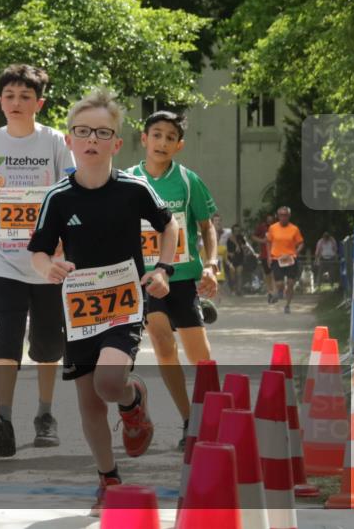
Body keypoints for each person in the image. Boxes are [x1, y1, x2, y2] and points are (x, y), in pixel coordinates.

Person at [29, 88, 178, 515]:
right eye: (82, 131)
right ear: (70, 140)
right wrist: (47, 268)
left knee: (109, 383)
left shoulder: (134, 189)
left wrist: (163, 270)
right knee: (89, 402)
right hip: (78, 308)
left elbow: (168, 229)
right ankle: (108, 478)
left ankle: (132, 401)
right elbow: (39, 250)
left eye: (102, 132)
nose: (91, 139)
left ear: (116, 143)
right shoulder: (58, 198)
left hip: (124, 302)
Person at [0, 64, 74, 456]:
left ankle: (45, 414)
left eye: (25, 97)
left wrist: (63, 244)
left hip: (46, 262)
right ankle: (3, 418)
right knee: (5, 335)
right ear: (0, 101)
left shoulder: (54, 143)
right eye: (9, 96)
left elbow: (69, 196)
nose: (16, 102)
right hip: (2, 261)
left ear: (39, 103)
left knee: (47, 344)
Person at [126, 110, 220, 451]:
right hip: (148, 280)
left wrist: (211, 264)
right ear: (144, 138)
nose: (162, 142)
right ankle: (188, 421)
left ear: (178, 145)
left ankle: (211, 416)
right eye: (157, 134)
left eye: (169, 137)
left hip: (183, 279)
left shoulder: (187, 180)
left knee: (200, 356)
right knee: (164, 345)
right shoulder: (129, 181)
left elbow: (207, 228)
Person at [267, 206, 304, 313]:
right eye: (281, 215)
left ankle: (287, 305)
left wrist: (296, 252)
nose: (283, 217)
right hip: (277, 258)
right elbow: (268, 242)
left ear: (289, 216)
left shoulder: (294, 229)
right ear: (278, 216)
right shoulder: (273, 228)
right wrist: (269, 256)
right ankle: (279, 292)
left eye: (285, 215)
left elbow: (301, 243)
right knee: (279, 283)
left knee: (291, 283)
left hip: (290, 259)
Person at [253, 213, 276, 302]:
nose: (270, 221)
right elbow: (253, 236)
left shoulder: (277, 227)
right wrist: (262, 240)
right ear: (266, 220)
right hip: (265, 255)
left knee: (274, 274)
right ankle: (269, 292)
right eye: (268, 219)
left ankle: (274, 292)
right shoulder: (262, 227)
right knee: (268, 274)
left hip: (275, 254)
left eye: (271, 219)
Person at [226, 224, 248, 296]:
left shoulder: (241, 238)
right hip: (232, 260)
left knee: (239, 273)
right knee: (232, 275)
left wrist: (242, 247)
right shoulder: (229, 240)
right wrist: (232, 252)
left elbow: (245, 247)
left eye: (238, 231)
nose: (237, 232)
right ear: (233, 231)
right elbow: (227, 251)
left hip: (239, 259)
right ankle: (233, 289)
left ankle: (239, 290)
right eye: (235, 231)